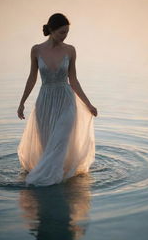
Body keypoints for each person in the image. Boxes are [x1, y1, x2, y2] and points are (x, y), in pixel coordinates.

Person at [17, 13, 97, 187]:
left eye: (67, 32)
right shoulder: (36, 50)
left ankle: (52, 179)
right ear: (51, 30)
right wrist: (22, 102)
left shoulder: (70, 50)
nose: (65, 36)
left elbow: (73, 79)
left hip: (66, 100)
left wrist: (88, 104)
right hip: (45, 101)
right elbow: (32, 78)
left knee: (61, 139)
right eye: (62, 32)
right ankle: (53, 175)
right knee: (47, 144)